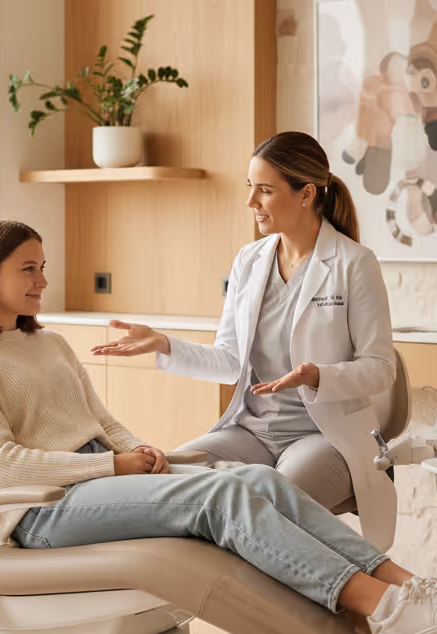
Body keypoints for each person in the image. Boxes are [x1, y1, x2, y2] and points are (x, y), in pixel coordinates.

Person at [0, 218, 437, 634]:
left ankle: (418, 591)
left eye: (42, 266)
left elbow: (102, 420)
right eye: (28, 269)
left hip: (100, 477)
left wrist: (143, 452)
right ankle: (382, 612)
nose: (43, 280)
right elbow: (5, 467)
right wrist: (115, 466)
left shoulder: (48, 344)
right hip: (45, 509)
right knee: (218, 500)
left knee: (258, 480)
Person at [91, 131, 400, 550]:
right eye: (250, 187)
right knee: (161, 479)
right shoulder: (249, 260)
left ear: (306, 193)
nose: (251, 201)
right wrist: (164, 343)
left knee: (262, 507)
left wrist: (317, 376)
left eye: (265, 190)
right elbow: (228, 360)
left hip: (323, 436)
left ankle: (340, 598)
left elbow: (381, 370)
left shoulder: (353, 263)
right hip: (251, 432)